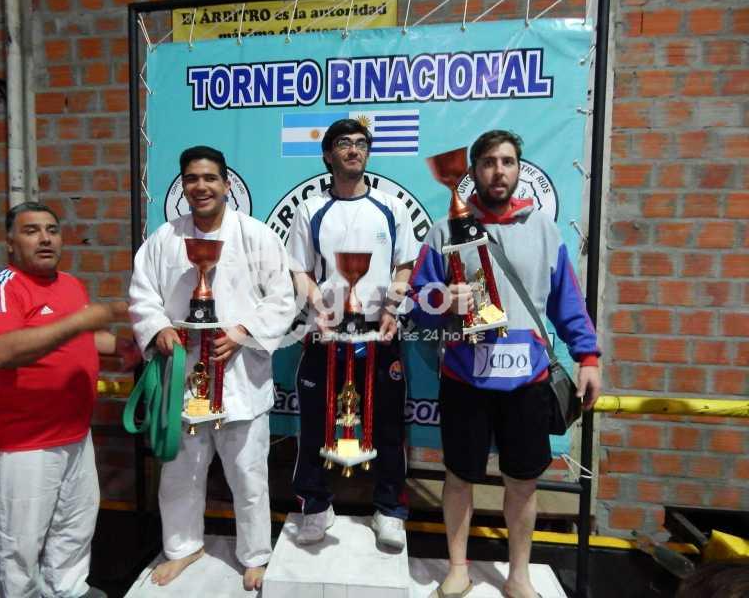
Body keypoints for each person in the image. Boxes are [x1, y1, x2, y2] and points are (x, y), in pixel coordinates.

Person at [408, 130, 601, 598]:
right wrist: (443, 300)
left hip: (528, 380)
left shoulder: (543, 230)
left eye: (508, 161)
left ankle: (518, 575)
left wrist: (588, 356)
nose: (499, 171)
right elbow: (416, 302)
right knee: (459, 479)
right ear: (474, 170)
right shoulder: (444, 229)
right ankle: (458, 569)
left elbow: (567, 301)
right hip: (464, 377)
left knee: (523, 483)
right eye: (490, 162)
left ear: (519, 169)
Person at [128, 146, 296, 591]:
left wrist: (244, 331)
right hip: (183, 378)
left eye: (209, 178)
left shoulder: (256, 236)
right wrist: (158, 329)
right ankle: (183, 547)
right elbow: (142, 295)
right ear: (182, 186)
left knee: (249, 475)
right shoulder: (163, 239)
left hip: (240, 378)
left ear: (226, 184)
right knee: (179, 473)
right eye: (191, 179)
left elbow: (282, 297)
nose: (200, 186)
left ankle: (255, 555)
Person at [0, 201, 138, 598]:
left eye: (52, 230)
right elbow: (2, 351)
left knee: (75, 524)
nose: (45, 238)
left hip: (75, 433)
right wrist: (82, 320)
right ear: (10, 243)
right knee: (18, 545)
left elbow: (79, 337)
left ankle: (68, 590)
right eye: (31, 231)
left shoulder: (70, 285)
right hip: (24, 443)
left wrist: (121, 347)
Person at [287, 118, 420, 549]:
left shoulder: (391, 207)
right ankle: (314, 507)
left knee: (387, 425)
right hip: (325, 332)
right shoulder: (311, 210)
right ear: (328, 154)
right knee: (316, 422)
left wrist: (392, 307)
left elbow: (404, 265)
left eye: (361, 143)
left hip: (379, 333)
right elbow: (299, 270)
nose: (353, 150)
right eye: (344, 143)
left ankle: (390, 510)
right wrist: (317, 306)